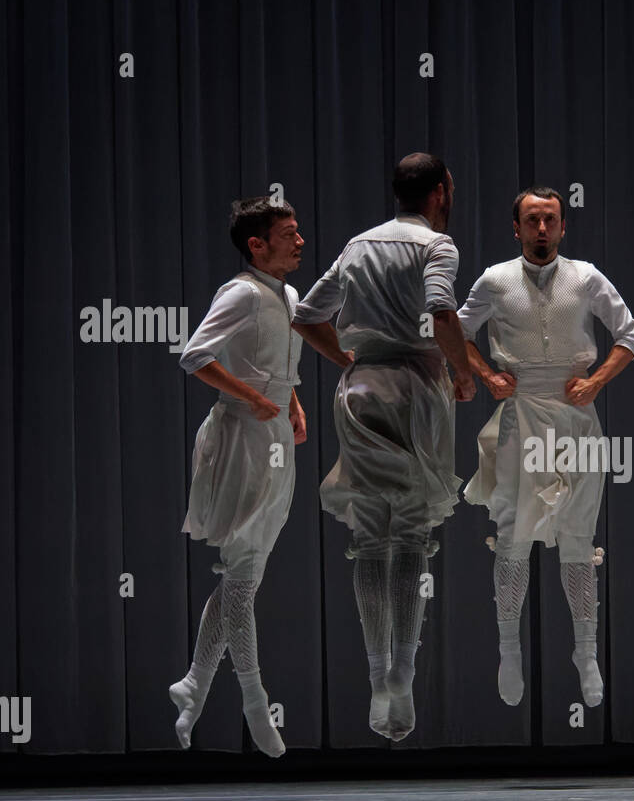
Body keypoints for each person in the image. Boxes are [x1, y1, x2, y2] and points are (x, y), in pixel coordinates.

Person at [291, 153, 476, 742]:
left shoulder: (358, 244)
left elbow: (304, 315)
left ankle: (379, 673)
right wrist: (463, 371)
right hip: (417, 386)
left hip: (361, 387)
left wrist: (347, 358)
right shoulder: (437, 246)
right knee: (413, 531)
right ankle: (402, 670)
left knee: (370, 533)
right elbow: (442, 310)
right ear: (441, 192)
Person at [458, 187, 634, 708]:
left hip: (577, 412)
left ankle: (586, 652)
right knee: (514, 535)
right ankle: (509, 649)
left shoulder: (586, 277)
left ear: (563, 227)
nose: (543, 229)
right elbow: (453, 331)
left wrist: (598, 381)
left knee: (579, 538)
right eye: (533, 220)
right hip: (522, 411)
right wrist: (487, 374)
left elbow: (630, 335)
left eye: (551, 220)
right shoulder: (494, 280)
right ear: (515, 228)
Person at [169, 196, 308, 757]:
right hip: (243, 438)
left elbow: (279, 364)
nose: (300, 241)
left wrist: (291, 400)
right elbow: (194, 355)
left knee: (241, 577)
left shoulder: (289, 295)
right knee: (243, 577)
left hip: (274, 435)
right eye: (288, 234)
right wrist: (252, 395)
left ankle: (195, 685)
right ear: (257, 245)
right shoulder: (242, 292)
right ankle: (253, 697)